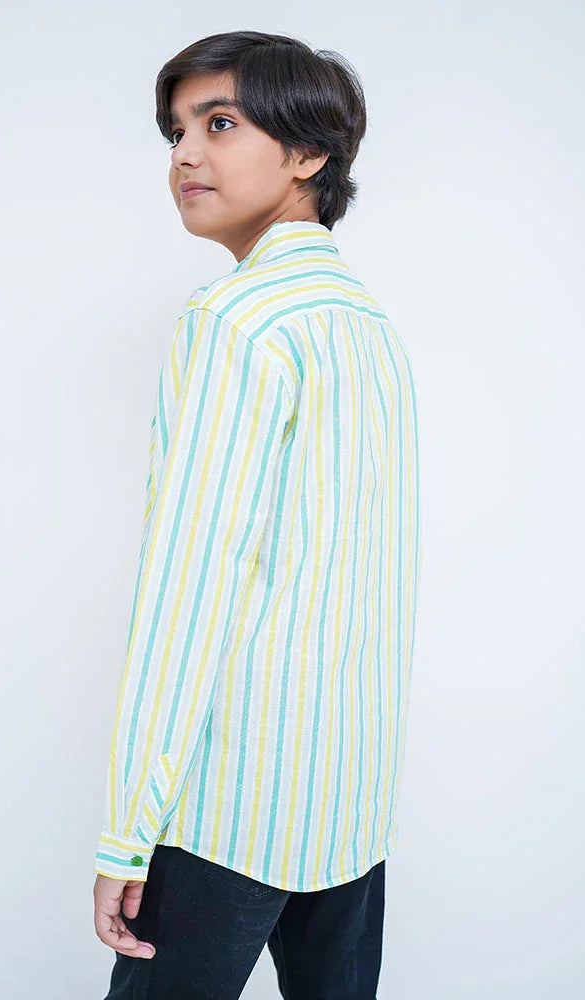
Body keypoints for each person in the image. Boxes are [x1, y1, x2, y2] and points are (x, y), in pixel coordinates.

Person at [92, 29, 422, 1000]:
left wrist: (127, 832)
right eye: (176, 131)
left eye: (221, 123)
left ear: (309, 151)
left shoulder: (236, 321)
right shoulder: (368, 328)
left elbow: (188, 591)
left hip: (232, 809)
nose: (185, 154)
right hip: (348, 802)